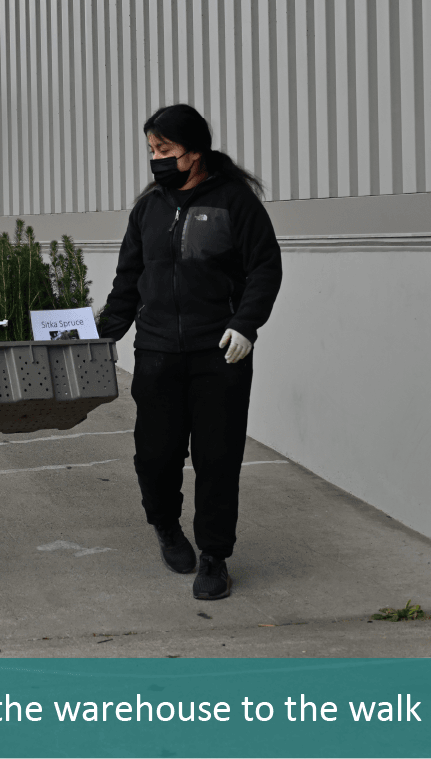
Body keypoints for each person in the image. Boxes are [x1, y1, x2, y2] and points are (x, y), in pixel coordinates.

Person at [99, 104, 283, 601]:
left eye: (165, 150)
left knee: (217, 459)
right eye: (152, 150)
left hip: (218, 355)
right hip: (157, 352)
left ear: (195, 153)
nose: (155, 159)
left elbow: (265, 267)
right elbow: (129, 281)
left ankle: (215, 557)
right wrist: (105, 334)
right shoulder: (149, 208)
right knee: (155, 458)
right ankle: (165, 526)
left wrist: (245, 325)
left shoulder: (234, 203)